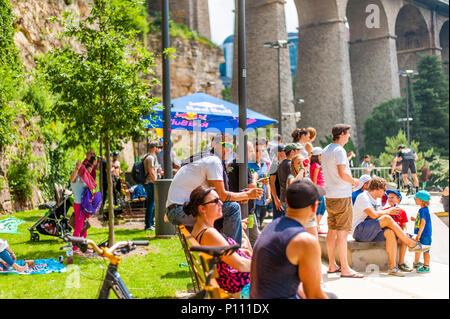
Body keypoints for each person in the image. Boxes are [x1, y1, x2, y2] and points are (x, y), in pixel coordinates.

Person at [165, 133, 263, 246]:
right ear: (214, 144)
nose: (228, 149)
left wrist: (240, 196)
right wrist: (247, 195)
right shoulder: (213, 161)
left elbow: (216, 196)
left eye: (231, 147)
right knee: (233, 208)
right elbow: (222, 195)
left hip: (176, 210)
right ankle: (234, 251)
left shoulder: (202, 157)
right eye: (225, 145)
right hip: (181, 210)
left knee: (221, 207)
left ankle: (228, 247)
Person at [250, 179, 336, 299]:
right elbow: (314, 295)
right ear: (314, 207)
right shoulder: (304, 241)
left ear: (287, 202)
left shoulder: (271, 227)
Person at [352, 177, 431, 276]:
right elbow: (373, 215)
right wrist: (389, 212)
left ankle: (392, 268)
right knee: (387, 218)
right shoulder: (363, 197)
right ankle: (411, 244)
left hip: (371, 231)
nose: (385, 193)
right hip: (359, 231)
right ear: (378, 188)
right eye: (384, 190)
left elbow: (377, 219)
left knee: (390, 233)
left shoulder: (377, 200)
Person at [186, 186, 252, 294]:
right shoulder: (209, 233)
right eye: (216, 201)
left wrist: (239, 253)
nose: (221, 203)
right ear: (202, 209)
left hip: (233, 280)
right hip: (240, 284)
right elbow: (240, 265)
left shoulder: (201, 230)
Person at [321, 124, 362, 278]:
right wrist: (354, 181)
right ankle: (345, 268)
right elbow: (342, 172)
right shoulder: (339, 150)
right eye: (348, 133)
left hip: (330, 195)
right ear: (343, 133)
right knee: (343, 233)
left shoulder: (326, 150)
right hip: (342, 196)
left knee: (332, 230)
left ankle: (332, 265)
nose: (349, 136)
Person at [70, 160, 96, 255]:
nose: (88, 173)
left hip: (85, 205)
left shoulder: (85, 178)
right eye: (87, 171)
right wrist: (77, 168)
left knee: (84, 227)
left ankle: (83, 247)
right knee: (78, 227)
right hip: (79, 205)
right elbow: (71, 179)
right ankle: (75, 248)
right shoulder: (76, 178)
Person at [383, 190, 412, 272]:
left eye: (392, 197)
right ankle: (393, 265)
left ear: (398, 200)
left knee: (406, 238)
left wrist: (404, 233)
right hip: (390, 233)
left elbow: (404, 225)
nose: (390, 199)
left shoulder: (402, 212)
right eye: (388, 197)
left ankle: (401, 262)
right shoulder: (385, 211)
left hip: (399, 234)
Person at [248, 139, 270, 230]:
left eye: (263, 150)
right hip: (253, 202)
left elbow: (267, 182)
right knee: (253, 229)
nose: (260, 153)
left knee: (259, 226)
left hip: (263, 202)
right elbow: (247, 183)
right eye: (257, 150)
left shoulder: (264, 164)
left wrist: (269, 197)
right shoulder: (248, 164)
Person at [411, 190, 433, 273]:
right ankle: (416, 263)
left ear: (421, 201)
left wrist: (419, 234)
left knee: (425, 251)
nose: (415, 200)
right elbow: (422, 221)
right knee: (418, 249)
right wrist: (416, 220)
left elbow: (423, 223)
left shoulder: (423, 210)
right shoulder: (423, 209)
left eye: (415, 199)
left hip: (424, 234)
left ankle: (426, 266)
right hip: (422, 234)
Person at [277, 143, 302, 212]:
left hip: (283, 197)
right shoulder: (290, 164)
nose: (298, 152)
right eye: (297, 150)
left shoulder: (280, 164)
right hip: (290, 198)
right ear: (292, 152)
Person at [310, 147, 326, 234]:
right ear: (318, 156)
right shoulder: (316, 166)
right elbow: (315, 179)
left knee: (322, 208)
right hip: (318, 190)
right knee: (320, 208)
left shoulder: (314, 165)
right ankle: (317, 226)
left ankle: (317, 225)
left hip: (320, 190)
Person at [143, 142, 159, 231]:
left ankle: (151, 223)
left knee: (152, 203)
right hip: (150, 183)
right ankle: (148, 224)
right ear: (154, 148)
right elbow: (151, 171)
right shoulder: (150, 158)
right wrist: (156, 182)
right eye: (157, 147)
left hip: (150, 182)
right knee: (151, 204)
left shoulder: (148, 156)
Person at [269, 144, 286, 220]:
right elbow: (271, 183)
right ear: (279, 153)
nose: (286, 152)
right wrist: (276, 199)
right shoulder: (274, 165)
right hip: (278, 197)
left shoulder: (285, 163)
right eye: (284, 151)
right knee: (278, 219)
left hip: (284, 197)